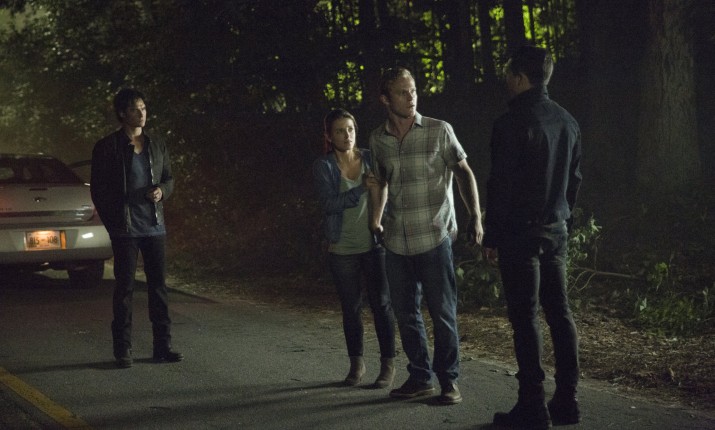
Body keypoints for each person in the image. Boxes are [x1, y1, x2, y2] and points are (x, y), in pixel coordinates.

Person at [367, 67, 483, 405]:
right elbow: (381, 182)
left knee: (443, 313)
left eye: (414, 90)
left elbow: (464, 173)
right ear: (385, 99)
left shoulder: (439, 130)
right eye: (402, 92)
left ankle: (449, 381)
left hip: (434, 237)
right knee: (406, 315)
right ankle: (420, 377)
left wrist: (476, 217)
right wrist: (376, 220)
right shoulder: (377, 139)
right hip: (396, 242)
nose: (411, 97)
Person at [483, 46, 582, 429]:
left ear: (521, 78)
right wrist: (563, 217)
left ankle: (532, 406)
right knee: (560, 313)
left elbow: (501, 186)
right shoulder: (567, 121)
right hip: (555, 230)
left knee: (525, 319)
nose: (506, 80)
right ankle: (567, 401)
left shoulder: (510, 124)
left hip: (519, 234)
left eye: (509, 73)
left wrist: (492, 235)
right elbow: (574, 181)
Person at [91, 88, 183, 369]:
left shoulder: (157, 144)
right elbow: (99, 190)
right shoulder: (107, 147)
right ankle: (123, 349)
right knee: (125, 289)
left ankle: (162, 346)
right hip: (125, 229)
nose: (141, 113)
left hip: (154, 226)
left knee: (159, 288)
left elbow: (168, 178)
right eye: (134, 109)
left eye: (143, 108)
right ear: (122, 113)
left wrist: (162, 191)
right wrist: (113, 224)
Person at [312, 108, 397, 388]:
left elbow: (386, 188)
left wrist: (379, 221)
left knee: (382, 305)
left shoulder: (370, 158)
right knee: (351, 308)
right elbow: (328, 204)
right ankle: (356, 365)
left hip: (374, 244)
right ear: (329, 136)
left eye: (350, 129)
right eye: (339, 131)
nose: (347, 135)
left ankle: (388, 366)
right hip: (341, 247)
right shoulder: (324, 166)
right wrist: (360, 188)